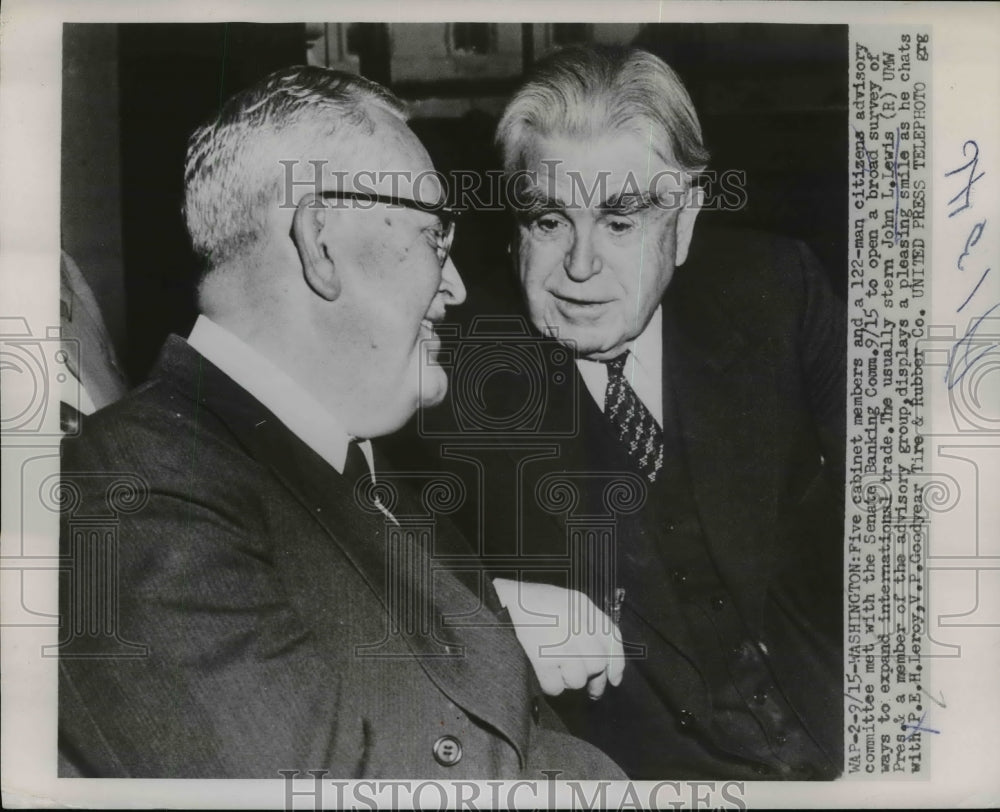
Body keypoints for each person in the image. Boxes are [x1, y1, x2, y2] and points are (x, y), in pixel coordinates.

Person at [57, 65, 625, 779]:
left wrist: (491, 614)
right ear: (321, 241)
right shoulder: (132, 486)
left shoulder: (341, 465)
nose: (454, 286)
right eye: (434, 237)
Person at [400, 45, 847, 780]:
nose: (580, 268)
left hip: (847, 731)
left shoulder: (777, 291)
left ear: (686, 219)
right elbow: (326, 537)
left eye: (619, 222)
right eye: (549, 220)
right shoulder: (443, 363)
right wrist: (484, 605)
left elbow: (909, 511)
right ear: (514, 225)